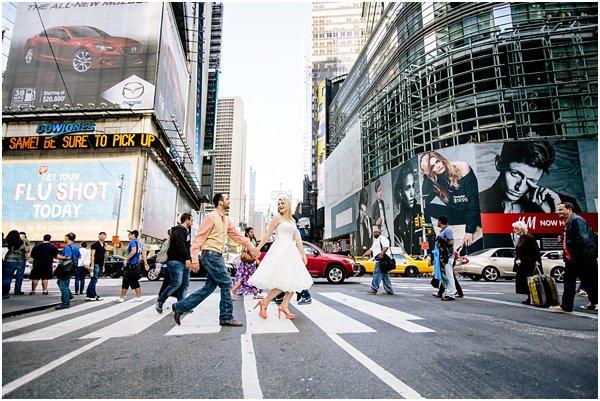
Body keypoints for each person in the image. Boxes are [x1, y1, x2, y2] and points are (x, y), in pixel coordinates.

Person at [172, 193, 259, 327]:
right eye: (227, 199)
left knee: (209, 288)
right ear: (220, 202)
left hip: (216, 255)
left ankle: (180, 307)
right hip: (211, 254)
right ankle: (226, 317)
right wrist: (194, 259)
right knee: (226, 283)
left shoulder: (226, 220)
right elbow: (199, 239)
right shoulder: (210, 217)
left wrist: (252, 249)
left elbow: (239, 237)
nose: (229, 201)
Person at [248, 198, 312, 320]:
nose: (280, 205)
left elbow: (297, 238)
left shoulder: (292, 220)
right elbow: (267, 234)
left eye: (282, 203)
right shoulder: (277, 218)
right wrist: (258, 248)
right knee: (283, 281)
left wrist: (303, 254)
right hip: (280, 250)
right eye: (278, 204)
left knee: (295, 281)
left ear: (288, 204)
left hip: (291, 251)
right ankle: (265, 302)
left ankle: (284, 305)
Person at [480, 142, 581, 214]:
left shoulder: (566, 205)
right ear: (498, 163)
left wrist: (554, 217)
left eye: (531, 180)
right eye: (515, 174)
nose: (519, 188)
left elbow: (584, 242)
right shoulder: (476, 203)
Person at [420, 151, 482, 249]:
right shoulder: (435, 181)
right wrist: (426, 175)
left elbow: (473, 202)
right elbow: (424, 199)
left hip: (473, 214)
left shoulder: (461, 167)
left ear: (441, 159)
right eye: (432, 167)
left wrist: (469, 231)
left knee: (468, 247)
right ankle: (434, 240)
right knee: (427, 208)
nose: (438, 166)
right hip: (458, 213)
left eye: (438, 161)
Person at [550, 202, 598, 313]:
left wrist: (576, 255)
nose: (558, 213)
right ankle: (566, 306)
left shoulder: (577, 220)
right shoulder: (568, 222)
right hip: (572, 258)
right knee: (570, 282)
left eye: (561, 210)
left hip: (582, 257)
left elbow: (583, 239)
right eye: (558, 210)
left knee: (590, 281)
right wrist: (564, 239)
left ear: (569, 209)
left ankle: (595, 302)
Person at [155, 213, 193, 314]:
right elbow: (181, 246)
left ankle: (180, 306)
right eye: (191, 220)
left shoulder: (185, 231)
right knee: (177, 283)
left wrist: (189, 259)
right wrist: (187, 259)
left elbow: (186, 247)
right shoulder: (179, 231)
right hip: (176, 262)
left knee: (184, 285)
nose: (192, 223)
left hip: (183, 262)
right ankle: (160, 301)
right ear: (187, 220)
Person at [393, 163, 421, 254]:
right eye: (408, 188)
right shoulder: (397, 222)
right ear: (400, 193)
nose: (412, 193)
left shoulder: (421, 212)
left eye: (413, 186)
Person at [512, 221, 542, 305]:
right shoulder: (521, 238)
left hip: (530, 263)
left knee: (530, 280)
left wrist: (537, 261)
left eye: (516, 228)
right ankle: (529, 297)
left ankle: (532, 298)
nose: (514, 230)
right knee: (525, 281)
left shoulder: (529, 237)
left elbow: (536, 250)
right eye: (514, 228)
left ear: (521, 229)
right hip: (523, 263)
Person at [230, 227, 262, 301]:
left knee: (252, 277)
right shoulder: (246, 240)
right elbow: (249, 250)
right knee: (244, 279)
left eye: (252, 232)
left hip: (251, 262)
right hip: (247, 263)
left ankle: (255, 293)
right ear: (247, 233)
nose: (252, 233)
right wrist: (256, 259)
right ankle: (233, 291)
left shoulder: (253, 240)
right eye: (251, 232)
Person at [119, 230, 149, 303]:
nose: (128, 235)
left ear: (133, 235)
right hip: (136, 265)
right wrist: (145, 263)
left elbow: (133, 251)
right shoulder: (139, 243)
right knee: (130, 280)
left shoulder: (132, 242)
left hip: (131, 265)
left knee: (129, 280)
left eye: (129, 234)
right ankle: (125, 297)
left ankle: (124, 297)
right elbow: (143, 253)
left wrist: (126, 259)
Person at [362, 227, 394, 295]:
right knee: (385, 276)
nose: (375, 233)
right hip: (379, 260)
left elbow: (386, 247)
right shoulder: (375, 241)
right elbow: (371, 250)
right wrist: (365, 254)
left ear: (380, 233)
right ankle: (389, 290)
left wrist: (381, 254)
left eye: (377, 232)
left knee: (376, 274)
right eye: (374, 232)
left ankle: (374, 289)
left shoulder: (382, 238)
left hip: (381, 260)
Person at [55, 233, 80, 309]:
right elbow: (79, 256)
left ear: (68, 238)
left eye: (65, 237)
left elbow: (68, 257)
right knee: (60, 282)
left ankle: (65, 302)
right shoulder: (76, 246)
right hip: (73, 266)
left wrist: (59, 257)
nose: (64, 238)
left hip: (66, 267)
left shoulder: (68, 247)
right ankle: (69, 295)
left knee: (64, 285)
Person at [435, 216, 456, 301]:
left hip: (448, 256)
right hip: (443, 256)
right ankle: (447, 291)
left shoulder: (447, 230)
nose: (437, 223)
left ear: (440, 222)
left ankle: (451, 293)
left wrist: (443, 241)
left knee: (449, 274)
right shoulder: (443, 231)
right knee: (445, 276)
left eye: (438, 221)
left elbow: (451, 241)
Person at [87, 232, 112, 301]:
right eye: (101, 235)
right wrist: (92, 265)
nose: (102, 236)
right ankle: (93, 295)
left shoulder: (104, 245)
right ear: (98, 236)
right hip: (95, 264)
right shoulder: (94, 245)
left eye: (104, 235)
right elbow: (92, 255)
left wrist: (103, 266)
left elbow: (103, 256)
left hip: (100, 264)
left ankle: (89, 294)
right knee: (94, 279)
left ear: (106, 237)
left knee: (94, 279)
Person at [2, 230, 25, 299]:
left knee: (5, 278)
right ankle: (6, 293)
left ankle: (4, 292)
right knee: (12, 277)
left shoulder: (7, 241)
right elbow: (24, 249)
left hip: (8, 259)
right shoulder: (21, 242)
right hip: (17, 261)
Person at [356, 188, 373, 255]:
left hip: (368, 253)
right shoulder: (356, 223)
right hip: (359, 254)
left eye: (364, 211)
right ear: (359, 209)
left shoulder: (369, 221)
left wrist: (367, 226)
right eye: (361, 210)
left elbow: (371, 237)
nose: (363, 213)